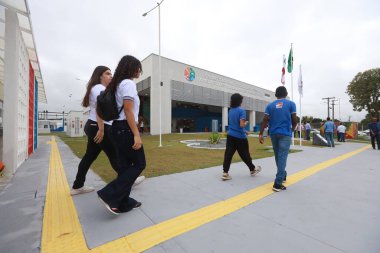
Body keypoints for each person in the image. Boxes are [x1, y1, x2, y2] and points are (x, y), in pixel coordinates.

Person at [71, 66, 144, 196]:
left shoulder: (96, 88)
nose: (110, 76)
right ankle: (127, 180)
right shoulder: (100, 88)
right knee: (115, 155)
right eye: (107, 73)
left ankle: (77, 186)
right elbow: (100, 107)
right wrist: (101, 129)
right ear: (100, 76)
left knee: (89, 157)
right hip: (99, 127)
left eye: (111, 73)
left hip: (93, 126)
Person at [97, 55, 146, 214]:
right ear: (130, 67)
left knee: (125, 167)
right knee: (139, 163)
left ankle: (122, 202)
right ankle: (109, 193)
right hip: (125, 128)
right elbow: (128, 110)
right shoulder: (128, 84)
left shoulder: (116, 84)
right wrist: (136, 134)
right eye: (138, 67)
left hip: (115, 128)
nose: (139, 71)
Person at [259, 86, 297, 192]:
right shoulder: (291, 104)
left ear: (275, 95)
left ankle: (283, 174)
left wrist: (261, 134)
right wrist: (292, 129)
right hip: (285, 134)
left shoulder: (270, 106)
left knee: (278, 156)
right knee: (282, 157)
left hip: (274, 133)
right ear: (286, 94)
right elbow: (294, 119)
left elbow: (265, 120)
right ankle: (277, 184)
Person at [222, 93, 261, 180]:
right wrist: (246, 123)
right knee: (245, 155)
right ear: (239, 101)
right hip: (240, 138)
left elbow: (234, 125)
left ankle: (225, 173)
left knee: (228, 154)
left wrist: (245, 131)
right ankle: (252, 169)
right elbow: (241, 124)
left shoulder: (230, 110)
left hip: (231, 135)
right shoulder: (241, 111)